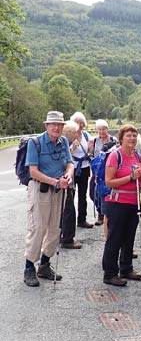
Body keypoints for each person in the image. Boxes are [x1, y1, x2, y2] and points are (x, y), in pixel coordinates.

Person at [23, 111, 74, 287]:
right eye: (53, 124)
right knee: (38, 228)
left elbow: (69, 163)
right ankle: (29, 267)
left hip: (59, 190)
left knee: (55, 228)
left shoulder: (64, 141)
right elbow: (33, 171)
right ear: (46, 126)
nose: (56, 127)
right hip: (40, 189)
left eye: (59, 124)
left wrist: (68, 176)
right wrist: (55, 181)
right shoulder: (35, 143)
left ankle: (44, 264)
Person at [101, 124, 141, 286]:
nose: (132, 139)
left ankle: (126, 269)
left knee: (129, 237)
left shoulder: (137, 156)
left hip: (134, 202)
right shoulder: (115, 156)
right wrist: (131, 177)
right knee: (115, 238)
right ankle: (109, 274)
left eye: (134, 136)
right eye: (128, 136)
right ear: (121, 139)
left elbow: (139, 183)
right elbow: (109, 182)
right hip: (117, 203)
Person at [90, 119, 117, 226]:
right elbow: (90, 153)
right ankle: (100, 210)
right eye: (99, 129)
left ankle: (104, 214)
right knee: (93, 192)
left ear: (107, 129)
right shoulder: (95, 141)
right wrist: (94, 161)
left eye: (104, 129)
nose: (102, 131)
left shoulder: (113, 140)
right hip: (97, 170)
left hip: (110, 169)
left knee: (107, 191)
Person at [69, 112, 94, 229]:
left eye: (81, 122)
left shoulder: (86, 135)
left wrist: (90, 147)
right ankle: (68, 221)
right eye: (77, 122)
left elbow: (89, 152)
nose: (79, 125)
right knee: (71, 195)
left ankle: (82, 219)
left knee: (83, 195)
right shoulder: (69, 135)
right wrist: (72, 147)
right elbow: (67, 153)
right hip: (72, 168)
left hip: (84, 167)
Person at [60, 121, 82, 249]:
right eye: (75, 132)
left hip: (60, 180)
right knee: (68, 209)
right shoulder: (65, 143)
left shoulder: (60, 142)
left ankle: (60, 235)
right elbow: (66, 160)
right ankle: (67, 238)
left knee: (61, 209)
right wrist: (73, 148)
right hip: (65, 180)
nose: (77, 134)